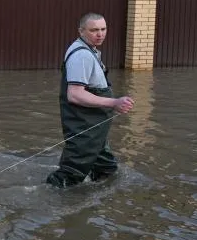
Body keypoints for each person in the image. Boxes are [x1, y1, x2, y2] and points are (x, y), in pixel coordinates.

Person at [46, 13, 135, 188]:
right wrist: (114, 103)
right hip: (84, 126)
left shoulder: (88, 50)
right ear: (81, 31)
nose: (100, 34)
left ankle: (99, 200)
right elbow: (75, 94)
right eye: (94, 30)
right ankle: (45, 198)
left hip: (95, 126)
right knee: (71, 174)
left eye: (103, 29)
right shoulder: (82, 56)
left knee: (106, 168)